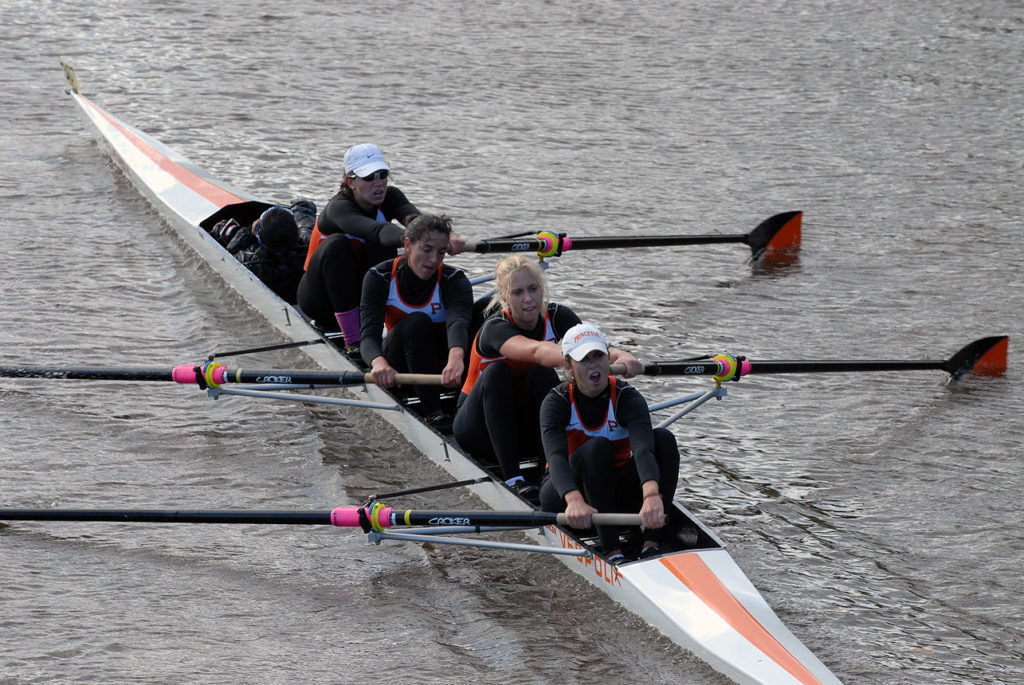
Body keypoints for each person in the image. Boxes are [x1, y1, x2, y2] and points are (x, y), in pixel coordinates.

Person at [453, 256, 643, 501]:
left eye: (533, 289)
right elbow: (537, 352)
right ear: (504, 297)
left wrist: (622, 355)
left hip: (522, 424)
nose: (529, 299)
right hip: (477, 430)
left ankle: (550, 474)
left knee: (543, 376)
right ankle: (513, 478)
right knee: (499, 373)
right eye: (518, 292)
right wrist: (582, 362)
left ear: (542, 288)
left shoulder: (558, 316)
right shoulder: (495, 327)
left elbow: (595, 347)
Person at [297, 143, 464, 350]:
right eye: (369, 177)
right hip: (320, 299)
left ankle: (389, 323)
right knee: (337, 245)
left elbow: (416, 221)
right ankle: (354, 342)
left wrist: (448, 235)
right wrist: (417, 241)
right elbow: (378, 231)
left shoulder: (391, 196)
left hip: (359, 289)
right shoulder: (338, 208)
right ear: (350, 182)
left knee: (389, 251)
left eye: (382, 175)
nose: (379, 184)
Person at [539, 323, 680, 564]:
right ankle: (612, 551)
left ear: (608, 358)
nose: (593, 365)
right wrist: (574, 500)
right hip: (565, 495)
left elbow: (644, 449)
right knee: (598, 446)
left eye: (598, 356)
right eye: (584, 359)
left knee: (663, 439)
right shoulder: (556, 402)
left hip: (612, 492)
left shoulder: (628, 397)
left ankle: (652, 543)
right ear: (568, 367)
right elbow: (556, 458)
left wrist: (651, 494)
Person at [359, 213, 472, 428]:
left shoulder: (454, 280)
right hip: (399, 368)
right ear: (408, 245)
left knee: (485, 315)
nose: (433, 260)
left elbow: (459, 322)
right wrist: (378, 363)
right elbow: (367, 337)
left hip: (446, 367)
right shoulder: (379, 277)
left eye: (441, 252)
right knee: (417, 322)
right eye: (426, 250)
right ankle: (434, 413)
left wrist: (457, 357)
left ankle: (469, 405)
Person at [225, 205, 307, 304]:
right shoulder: (308, 258)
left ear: (260, 238)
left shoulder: (250, 262)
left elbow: (228, 256)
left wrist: (248, 231)